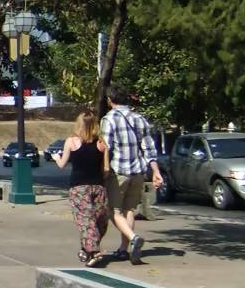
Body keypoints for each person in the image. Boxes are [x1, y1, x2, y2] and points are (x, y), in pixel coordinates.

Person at [100, 85, 164, 264]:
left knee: (112, 210)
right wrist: (156, 171)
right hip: (138, 172)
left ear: (110, 100)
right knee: (129, 210)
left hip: (118, 171)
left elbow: (106, 148)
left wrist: (103, 170)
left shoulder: (108, 119)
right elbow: (149, 148)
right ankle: (124, 249)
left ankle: (133, 238)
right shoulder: (139, 118)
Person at [54, 110, 110, 267]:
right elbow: (106, 169)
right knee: (99, 220)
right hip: (98, 186)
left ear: (79, 124)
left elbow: (62, 164)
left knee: (85, 220)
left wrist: (56, 158)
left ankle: (94, 251)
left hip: (79, 188)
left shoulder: (71, 142)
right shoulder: (102, 143)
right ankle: (87, 250)